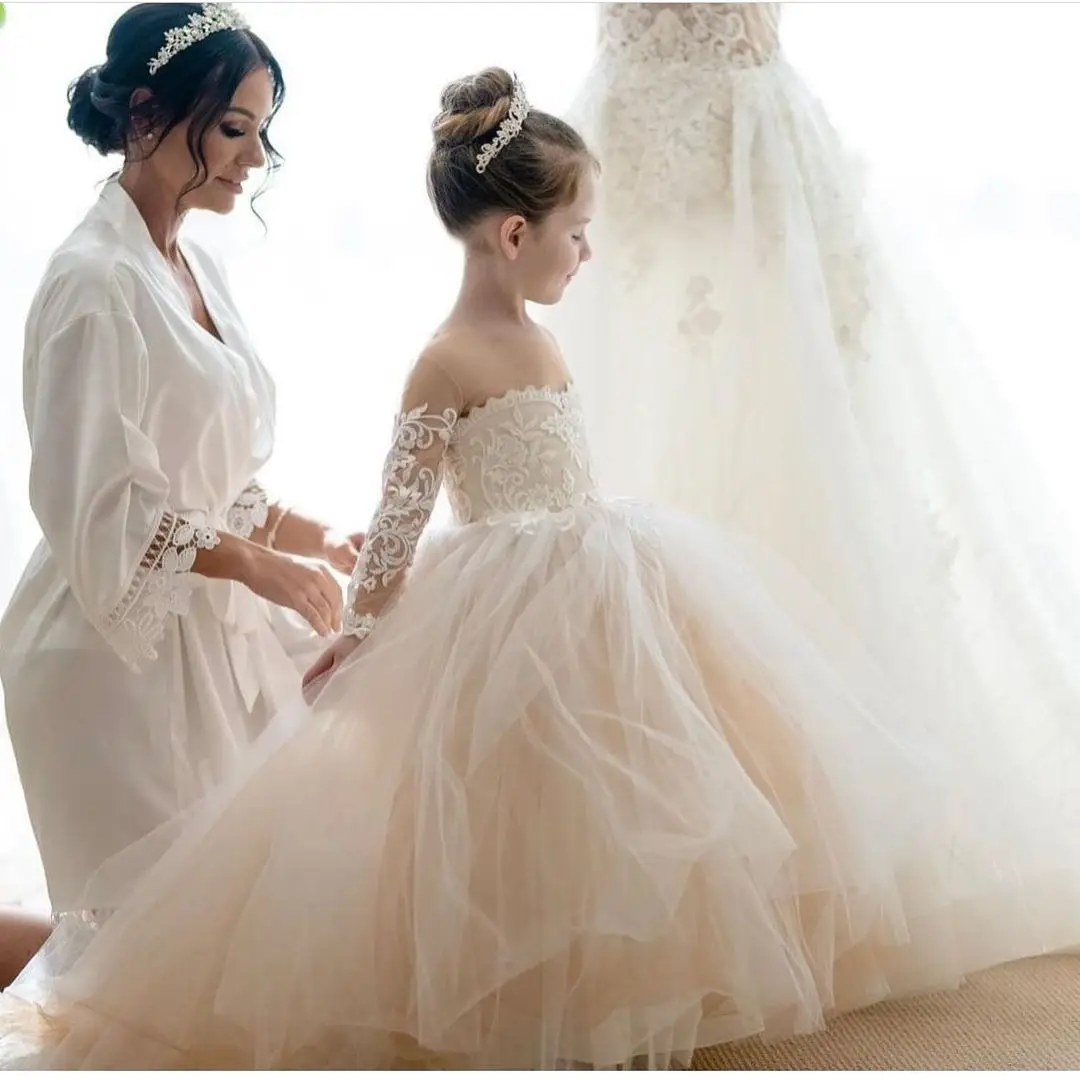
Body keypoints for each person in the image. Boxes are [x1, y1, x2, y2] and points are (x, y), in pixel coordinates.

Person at [3, 66, 1080, 1072]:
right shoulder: (444, 358)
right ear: (516, 232)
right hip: (499, 606)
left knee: (626, 781)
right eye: (579, 232)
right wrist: (361, 635)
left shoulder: (541, 340)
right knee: (511, 798)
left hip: (601, 575)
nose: (589, 253)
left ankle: (630, 967)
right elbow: (400, 516)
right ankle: (529, 982)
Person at [544, 1, 1080, 903]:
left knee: (788, 446)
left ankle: (809, 812)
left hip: (751, 146)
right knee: (633, 414)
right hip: (629, 146)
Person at [0, 2, 362, 919]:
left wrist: (310, 533)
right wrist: (261, 567)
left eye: (262, 130)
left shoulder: (192, 267)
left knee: (243, 916)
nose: (254, 156)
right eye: (235, 128)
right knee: (147, 940)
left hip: (207, 625)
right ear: (146, 116)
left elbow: (211, 473)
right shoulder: (92, 282)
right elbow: (102, 503)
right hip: (108, 652)